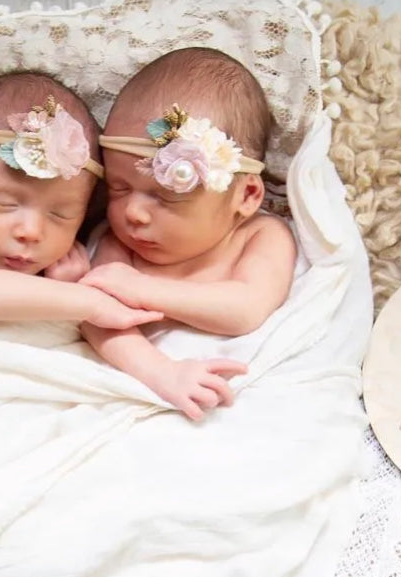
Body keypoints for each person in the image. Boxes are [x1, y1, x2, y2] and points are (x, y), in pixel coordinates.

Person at [80, 47, 298, 421]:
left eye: (165, 196)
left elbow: (245, 309)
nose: (132, 212)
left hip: (239, 403)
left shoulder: (261, 236)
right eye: (118, 188)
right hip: (148, 386)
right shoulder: (118, 244)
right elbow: (98, 322)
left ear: (246, 195)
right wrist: (161, 373)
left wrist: (142, 289)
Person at [0, 72, 163, 331]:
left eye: (60, 214)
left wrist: (67, 285)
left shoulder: (72, 267)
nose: (31, 232)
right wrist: (88, 302)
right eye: (5, 203)